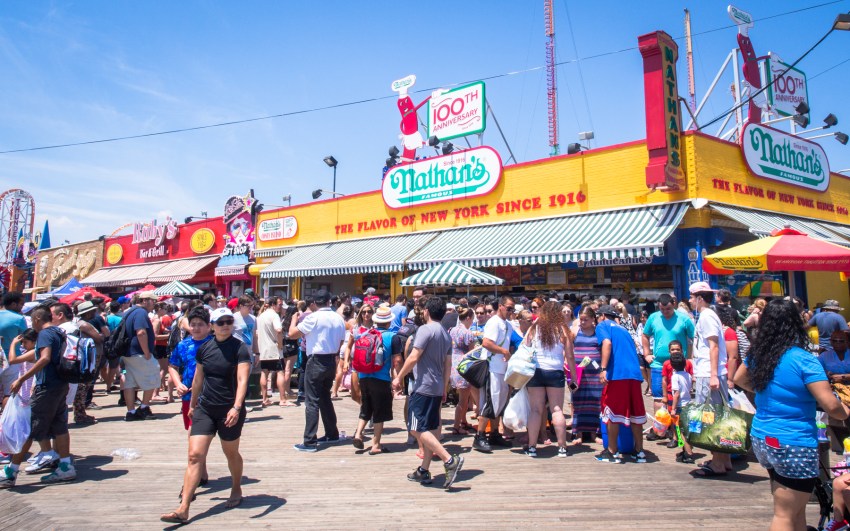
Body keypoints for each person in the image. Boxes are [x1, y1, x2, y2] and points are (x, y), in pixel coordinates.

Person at [733, 299, 849, 530]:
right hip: (792, 442)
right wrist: (845, 410)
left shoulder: (759, 354)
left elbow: (739, 379)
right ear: (796, 323)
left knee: (796, 509)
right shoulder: (804, 360)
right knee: (784, 514)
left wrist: (768, 391)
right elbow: (830, 405)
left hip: (763, 438)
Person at [160, 307, 251, 524]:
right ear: (213, 326)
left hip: (229, 409)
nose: (225, 325)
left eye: (229, 321)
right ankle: (183, 508)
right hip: (205, 408)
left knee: (231, 453)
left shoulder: (239, 348)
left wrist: (236, 407)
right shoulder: (205, 348)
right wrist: (192, 404)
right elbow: (198, 379)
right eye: (221, 322)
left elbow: (242, 380)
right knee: (195, 455)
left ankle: (236, 488)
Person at [392, 296, 464, 489]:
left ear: (427, 311)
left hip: (423, 386)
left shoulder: (425, 330)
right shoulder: (446, 334)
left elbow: (414, 356)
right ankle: (424, 469)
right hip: (437, 386)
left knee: (415, 428)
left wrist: (399, 377)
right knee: (431, 429)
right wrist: (445, 387)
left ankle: (449, 460)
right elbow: (448, 365)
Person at [0, 307, 76, 488]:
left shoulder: (44, 334)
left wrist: (22, 379)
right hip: (60, 384)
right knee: (59, 426)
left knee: (30, 427)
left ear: (36, 319)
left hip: (47, 386)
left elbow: (45, 358)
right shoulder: (59, 332)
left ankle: (11, 471)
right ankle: (66, 466)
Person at [288, 289, 346, 452]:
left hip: (316, 360)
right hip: (331, 359)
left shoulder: (313, 317)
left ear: (314, 303)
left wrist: (293, 320)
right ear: (329, 301)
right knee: (325, 398)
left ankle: (309, 441)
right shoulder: (338, 318)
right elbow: (341, 341)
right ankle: (331, 434)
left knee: (312, 400)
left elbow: (292, 334)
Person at [687, 281, 731, 477]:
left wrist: (713, 375)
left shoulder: (706, 316)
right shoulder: (708, 315)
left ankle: (718, 463)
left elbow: (713, 346)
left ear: (699, 298)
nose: (690, 301)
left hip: (709, 373)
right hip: (708, 371)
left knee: (711, 418)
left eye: (691, 297)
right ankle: (723, 459)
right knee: (718, 415)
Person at [524, 301, 577, 458]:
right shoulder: (563, 329)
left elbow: (525, 345)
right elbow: (570, 356)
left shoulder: (535, 327)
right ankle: (562, 447)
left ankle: (532, 446)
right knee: (557, 409)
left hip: (536, 371)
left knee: (535, 410)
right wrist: (573, 377)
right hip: (555, 371)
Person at [596, 304, 647, 464]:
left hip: (617, 374)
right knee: (635, 413)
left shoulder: (603, 325)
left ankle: (612, 451)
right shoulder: (623, 329)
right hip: (634, 375)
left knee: (612, 412)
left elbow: (607, 343)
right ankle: (639, 451)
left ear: (602, 316)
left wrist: (603, 368)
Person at [640, 293, 695, 436]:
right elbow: (645, 335)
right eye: (662, 309)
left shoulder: (684, 319)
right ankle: (660, 428)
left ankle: (674, 430)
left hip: (679, 365)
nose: (665, 312)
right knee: (659, 396)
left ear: (674, 304)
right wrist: (647, 353)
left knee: (678, 396)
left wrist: (691, 358)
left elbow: (694, 337)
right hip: (658, 364)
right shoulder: (653, 317)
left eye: (668, 309)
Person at [349, 305, 399, 454]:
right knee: (379, 411)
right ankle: (376, 445)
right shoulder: (392, 337)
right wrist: (397, 379)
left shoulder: (365, 334)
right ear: (389, 322)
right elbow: (397, 361)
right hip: (381, 378)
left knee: (366, 407)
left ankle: (358, 434)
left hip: (364, 376)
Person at [473, 296, 515, 453]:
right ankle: (479, 436)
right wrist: (504, 351)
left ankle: (494, 433)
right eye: (509, 308)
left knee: (500, 402)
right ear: (501, 306)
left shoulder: (508, 325)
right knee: (490, 402)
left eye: (512, 309)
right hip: (492, 368)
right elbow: (486, 343)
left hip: (502, 369)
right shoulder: (494, 322)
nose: (511, 311)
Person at [122, 292, 161, 421]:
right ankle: (144, 407)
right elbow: (141, 333)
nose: (154, 304)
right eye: (153, 301)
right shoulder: (141, 313)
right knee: (153, 376)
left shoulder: (129, 311)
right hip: (139, 352)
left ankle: (131, 412)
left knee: (130, 382)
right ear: (145, 300)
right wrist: (147, 352)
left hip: (128, 353)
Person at [572, 307, 603, 443]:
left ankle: (594, 434)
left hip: (594, 373)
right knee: (578, 401)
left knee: (595, 401)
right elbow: (567, 348)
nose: (583, 322)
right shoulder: (575, 331)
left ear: (592, 319)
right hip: (578, 373)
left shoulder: (598, 332)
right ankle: (578, 433)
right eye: (581, 319)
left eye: (586, 320)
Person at [448, 307, 478, 435]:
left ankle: (463, 421)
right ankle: (456, 426)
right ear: (468, 318)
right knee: (463, 399)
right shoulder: (468, 333)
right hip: (464, 367)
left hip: (453, 365)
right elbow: (471, 352)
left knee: (463, 396)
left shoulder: (452, 330)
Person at [0, 292, 28, 407]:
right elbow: (26, 339)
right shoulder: (19, 318)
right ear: (13, 304)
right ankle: (5, 417)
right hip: (12, 359)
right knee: (9, 392)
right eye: (21, 304)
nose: (22, 307)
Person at [256, 297, 285, 407]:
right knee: (280, 372)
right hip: (274, 349)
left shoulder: (260, 316)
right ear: (273, 304)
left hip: (263, 349)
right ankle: (283, 399)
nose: (280, 307)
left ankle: (265, 398)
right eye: (279, 304)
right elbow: (279, 330)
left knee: (264, 372)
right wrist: (280, 344)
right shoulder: (274, 315)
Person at [668, 347, 695, 464]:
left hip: (680, 406)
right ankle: (685, 450)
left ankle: (688, 454)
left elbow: (676, 394)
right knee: (687, 429)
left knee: (681, 431)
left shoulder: (675, 377)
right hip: (688, 404)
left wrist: (673, 408)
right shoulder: (688, 375)